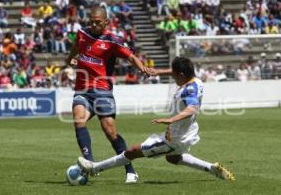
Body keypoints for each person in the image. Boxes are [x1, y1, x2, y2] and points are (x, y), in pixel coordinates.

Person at [77, 57, 235, 182]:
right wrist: (158, 72)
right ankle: (212, 168)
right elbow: (177, 73)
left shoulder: (188, 90)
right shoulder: (196, 80)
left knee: (132, 151)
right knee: (173, 158)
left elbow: (192, 108)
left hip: (174, 139)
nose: (172, 77)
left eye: (174, 74)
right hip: (188, 132)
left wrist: (171, 119)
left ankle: (95, 168)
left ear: (181, 75)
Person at [66, 6, 153, 183]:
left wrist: (142, 67)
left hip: (102, 90)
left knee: (110, 132)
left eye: (97, 22)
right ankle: (89, 163)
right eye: (90, 21)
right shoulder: (82, 33)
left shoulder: (113, 40)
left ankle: (130, 170)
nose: (93, 24)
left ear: (106, 22)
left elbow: (130, 57)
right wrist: (69, 59)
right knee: (78, 118)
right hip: (82, 88)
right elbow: (76, 48)